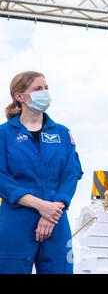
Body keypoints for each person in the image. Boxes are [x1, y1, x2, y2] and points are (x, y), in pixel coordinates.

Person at [0, 71, 83, 274]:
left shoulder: (61, 133)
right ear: (19, 96)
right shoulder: (4, 134)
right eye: (38, 89)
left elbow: (71, 173)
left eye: (46, 88)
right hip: (17, 218)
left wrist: (53, 209)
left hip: (56, 217)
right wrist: (40, 206)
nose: (44, 93)